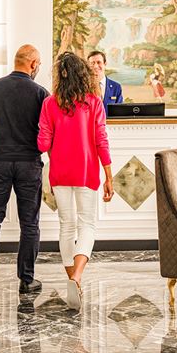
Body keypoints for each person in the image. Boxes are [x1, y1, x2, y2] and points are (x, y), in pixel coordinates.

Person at [38, 52, 114, 310]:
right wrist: (109, 176)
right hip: (87, 171)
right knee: (87, 225)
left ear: (60, 75)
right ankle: (78, 277)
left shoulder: (49, 104)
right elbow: (101, 140)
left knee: (66, 226)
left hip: (59, 172)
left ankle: (72, 281)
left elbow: (42, 144)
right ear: (83, 73)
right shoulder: (94, 102)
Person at [0, 44, 48, 300]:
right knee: (29, 222)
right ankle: (26, 280)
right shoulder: (41, 93)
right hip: (29, 162)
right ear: (33, 64)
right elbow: (47, 132)